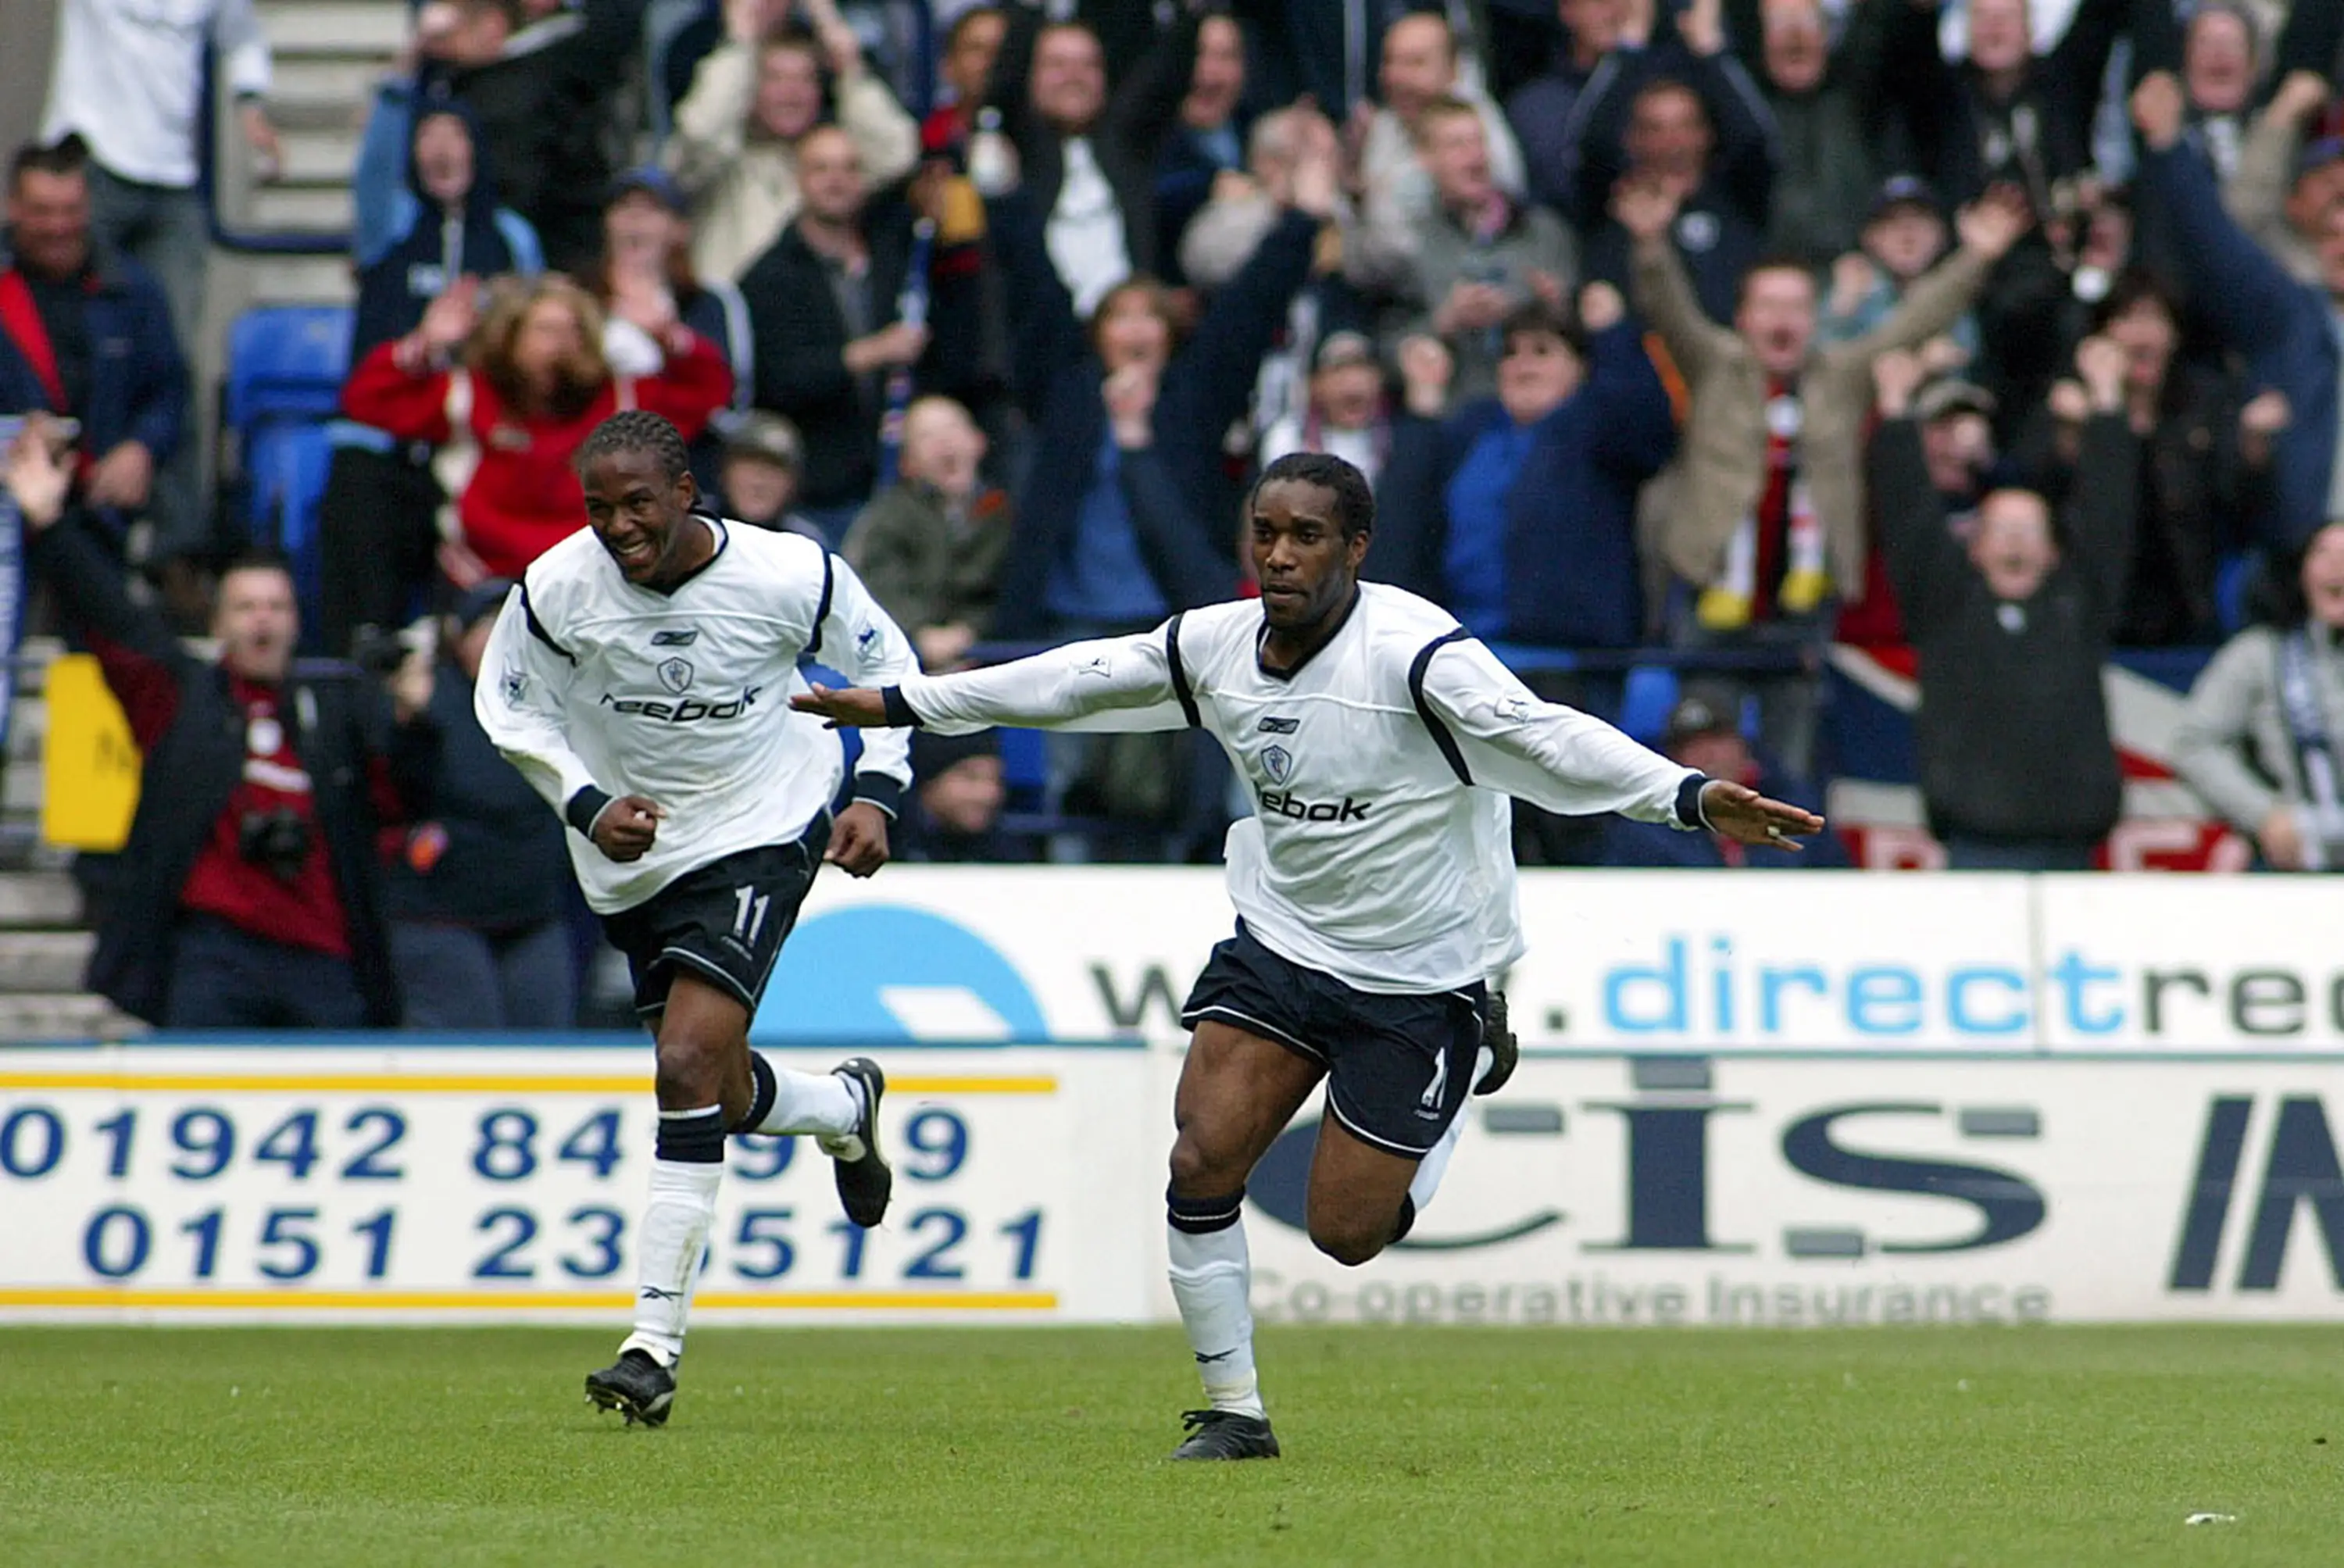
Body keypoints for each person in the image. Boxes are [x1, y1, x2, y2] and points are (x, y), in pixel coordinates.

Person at [792, 448, 1823, 1459]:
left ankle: (1467, 1058)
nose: (1279, 555)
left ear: (1358, 547)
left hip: (1419, 973)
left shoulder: (1418, 658)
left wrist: (1685, 794)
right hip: (1283, 941)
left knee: (1345, 1230)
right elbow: (1080, 679)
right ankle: (1235, 1410)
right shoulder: (1218, 645)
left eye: (1306, 536)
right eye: (1266, 533)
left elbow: (1550, 738)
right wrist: (907, 702)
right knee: (1200, 1157)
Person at [474, 409, 914, 1426]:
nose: (619, 527)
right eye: (600, 509)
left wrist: (879, 789)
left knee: (682, 1063)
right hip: (633, 849)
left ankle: (651, 1342)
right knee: (711, 1077)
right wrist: (585, 803)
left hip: (766, 819)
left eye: (638, 505)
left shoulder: (789, 574)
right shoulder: (555, 589)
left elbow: (886, 658)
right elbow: (509, 706)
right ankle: (843, 1108)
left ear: (686, 494)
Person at [9, 417, 434, 1027]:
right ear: (218, 623)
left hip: (325, 956)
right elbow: (116, 620)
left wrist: (413, 722)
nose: (262, 621)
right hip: (215, 954)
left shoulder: (339, 708)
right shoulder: (179, 697)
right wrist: (50, 525)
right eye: (245, 607)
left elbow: (406, 803)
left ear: (296, 619)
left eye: (276, 607)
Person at [1871, 338, 2135, 870]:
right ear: (1976, 544)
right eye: (2002, 530)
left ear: (2054, 550)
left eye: (2029, 531)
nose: (2015, 543)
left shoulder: (2078, 604)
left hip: (2072, 847)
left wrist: (2108, 403)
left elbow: (2111, 514)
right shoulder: (1946, 604)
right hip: (1973, 844)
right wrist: (1896, 411)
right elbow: (1907, 517)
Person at [323, 97, 543, 656]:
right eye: (428, 137)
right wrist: (426, 342)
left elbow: (534, 329)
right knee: (356, 479)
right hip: (390, 432)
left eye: (455, 136)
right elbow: (372, 172)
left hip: (475, 436)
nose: (442, 149)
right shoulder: (389, 225)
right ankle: (365, 651)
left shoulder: (510, 237)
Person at [340, 273, 734, 582]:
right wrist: (425, 344)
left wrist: (668, 336)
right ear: (512, 337)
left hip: (601, 577)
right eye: (545, 330)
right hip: (488, 579)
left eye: (572, 331)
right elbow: (367, 400)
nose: (561, 343)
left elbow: (709, 392)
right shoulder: (468, 395)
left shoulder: (622, 399)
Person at [739, 125, 981, 538]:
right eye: (822, 169)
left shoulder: (895, 256)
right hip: (823, 488)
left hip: (905, 479)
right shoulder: (770, 276)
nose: (837, 180)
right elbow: (777, 380)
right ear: (799, 179)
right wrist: (870, 353)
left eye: (850, 168)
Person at [38, 0, 280, 368]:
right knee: (76, 338)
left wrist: (251, 106)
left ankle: (160, 426)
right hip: (96, 166)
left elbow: (243, 36)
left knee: (172, 346)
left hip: (174, 177)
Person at [384, 578, 577, 1028]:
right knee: (462, 1051)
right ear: (460, 639)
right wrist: (409, 722)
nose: (501, 640)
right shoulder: (426, 701)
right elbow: (397, 792)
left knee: (547, 1055)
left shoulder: (557, 707)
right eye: (487, 626)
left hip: (535, 914)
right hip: (442, 917)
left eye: (514, 627)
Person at [0, 136, 188, 559]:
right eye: (42, 212)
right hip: (9, 504)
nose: (58, 227)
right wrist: (16, 435)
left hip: (102, 508)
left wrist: (141, 447)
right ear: (14, 207)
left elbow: (169, 389)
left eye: (70, 211)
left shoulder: (133, 290)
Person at [666, 0, 920, 283]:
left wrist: (848, 65)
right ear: (748, 86)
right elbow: (701, 134)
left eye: (805, 79)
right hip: (732, 322)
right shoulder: (720, 164)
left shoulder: (827, 164)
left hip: (811, 323)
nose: (792, 94)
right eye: (776, 78)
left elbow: (897, 154)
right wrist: (738, 44)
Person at [2172, 521, 2344, 871]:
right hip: (2297, 856)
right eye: (2323, 552)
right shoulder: (2258, 654)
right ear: (2300, 572)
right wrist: (2264, 813)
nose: (2337, 565)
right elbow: (2194, 743)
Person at [1381, 96, 1574, 407]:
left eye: (1479, 142)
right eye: (1457, 145)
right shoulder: (1408, 243)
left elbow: (1582, 335)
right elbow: (1385, 351)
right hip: (1455, 418)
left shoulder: (1544, 233)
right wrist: (1446, 320)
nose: (1475, 157)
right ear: (1426, 159)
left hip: (1541, 420)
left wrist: (1553, 308)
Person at [841, 395, 1012, 670]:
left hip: (988, 656)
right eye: (927, 436)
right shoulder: (887, 517)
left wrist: (969, 630)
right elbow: (879, 585)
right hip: (905, 659)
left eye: (952, 428)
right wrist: (920, 633)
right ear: (908, 463)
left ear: (978, 441)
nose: (944, 442)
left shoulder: (1004, 513)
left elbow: (1005, 591)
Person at [1603, 688, 1844, 867]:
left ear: (1743, 747)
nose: (1709, 755)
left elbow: (1841, 885)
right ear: (1672, 760)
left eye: (1717, 740)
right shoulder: (1646, 826)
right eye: (1692, 746)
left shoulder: (1796, 808)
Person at [713, 409, 820, 537]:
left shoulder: (806, 545)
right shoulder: (693, 525)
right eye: (749, 466)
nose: (759, 482)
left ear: (794, 483)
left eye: (774, 469)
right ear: (725, 472)